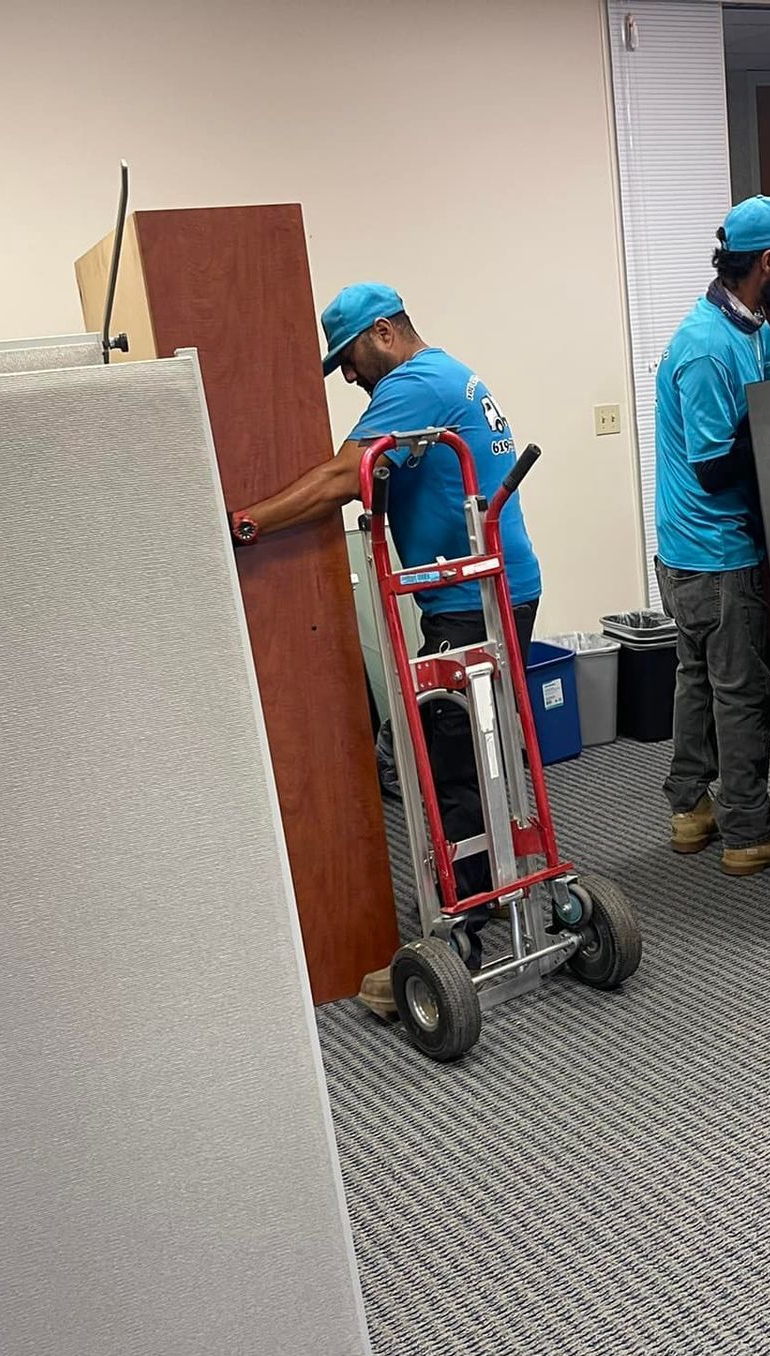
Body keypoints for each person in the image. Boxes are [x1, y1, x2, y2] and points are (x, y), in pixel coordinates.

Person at [233, 282, 543, 1011]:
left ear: (382, 333)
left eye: (349, 359)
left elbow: (347, 475)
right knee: (484, 746)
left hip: (468, 596)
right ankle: (495, 886)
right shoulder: (450, 372)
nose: (347, 377)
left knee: (450, 759)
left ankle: (459, 932)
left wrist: (248, 523)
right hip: (499, 583)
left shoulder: (415, 383)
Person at [652, 195, 770, 877]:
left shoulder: (751, 330)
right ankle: (748, 830)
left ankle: (691, 808)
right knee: (744, 691)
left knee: (698, 681)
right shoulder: (705, 348)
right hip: (712, 550)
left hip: (699, 551)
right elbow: (715, 463)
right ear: (767, 262)